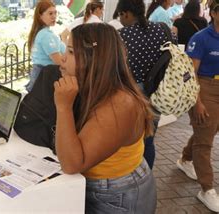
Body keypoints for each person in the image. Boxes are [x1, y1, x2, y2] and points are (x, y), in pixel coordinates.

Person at [54, 23, 156, 213]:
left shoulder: (120, 104)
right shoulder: (97, 88)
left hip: (118, 195)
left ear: (94, 58)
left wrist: (63, 107)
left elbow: (72, 164)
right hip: (104, 188)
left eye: (70, 52)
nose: (62, 59)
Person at [116, 0, 170, 169]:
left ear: (126, 13)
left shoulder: (121, 36)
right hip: (158, 90)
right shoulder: (162, 29)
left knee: (128, 140)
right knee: (149, 140)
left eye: (120, 16)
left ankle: (130, 175)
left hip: (132, 92)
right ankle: (146, 176)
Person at [176, 0, 219, 212]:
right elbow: (190, 75)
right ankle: (207, 189)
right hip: (204, 86)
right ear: (214, 13)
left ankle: (185, 158)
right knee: (205, 141)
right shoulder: (201, 38)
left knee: (207, 129)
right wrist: (198, 101)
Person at [25, 0, 66, 92]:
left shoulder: (41, 33)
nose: (54, 16)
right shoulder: (46, 35)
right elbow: (59, 61)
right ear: (40, 16)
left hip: (41, 76)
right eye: (50, 13)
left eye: (55, 13)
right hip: (46, 78)